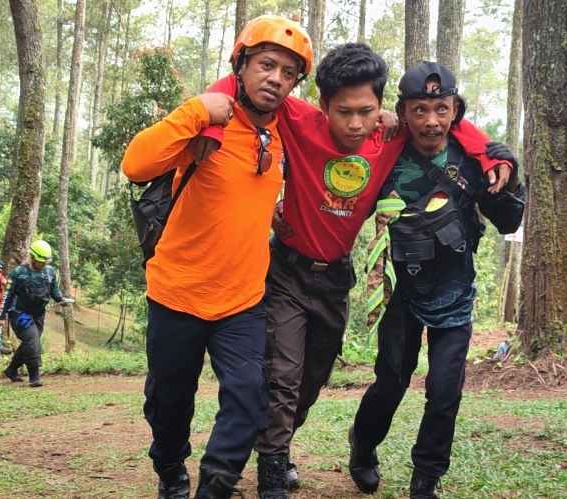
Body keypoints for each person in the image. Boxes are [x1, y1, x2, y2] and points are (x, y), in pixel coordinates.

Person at [200, 44, 513, 499]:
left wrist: (492, 155)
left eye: (366, 111)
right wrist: (210, 103)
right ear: (324, 105)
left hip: (340, 279)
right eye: (343, 111)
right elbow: (247, 90)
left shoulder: (391, 135)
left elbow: (447, 122)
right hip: (289, 270)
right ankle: (272, 477)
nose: (354, 123)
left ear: (382, 110)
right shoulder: (303, 120)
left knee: (311, 379)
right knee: (283, 378)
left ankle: (284, 445)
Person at [122, 15, 314, 499]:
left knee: (248, 400)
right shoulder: (207, 122)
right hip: (177, 292)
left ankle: (216, 485)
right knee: (168, 402)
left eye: (289, 73)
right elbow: (136, 164)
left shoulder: (283, 133)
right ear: (241, 64)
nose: (276, 78)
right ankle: (170, 471)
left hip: (242, 300)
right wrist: (195, 111)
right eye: (267, 64)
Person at [348, 61, 523, 499]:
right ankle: (363, 446)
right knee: (391, 383)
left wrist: (510, 175)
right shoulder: (384, 154)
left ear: (455, 110)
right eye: (420, 109)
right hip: (400, 296)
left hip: (454, 294)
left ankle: (426, 476)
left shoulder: (475, 159)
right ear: (403, 112)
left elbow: (508, 221)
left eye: (441, 109)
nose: (431, 121)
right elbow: (345, 209)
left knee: (445, 393)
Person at [0, 240, 67, 388]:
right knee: (32, 340)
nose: (43, 264)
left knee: (30, 343)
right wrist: (1, 316)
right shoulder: (18, 273)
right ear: (33, 257)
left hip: (39, 314)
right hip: (20, 313)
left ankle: (11, 370)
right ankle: (34, 376)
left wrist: (61, 299)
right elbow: (7, 295)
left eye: (45, 261)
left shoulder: (49, 271)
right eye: (40, 261)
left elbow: (54, 289)